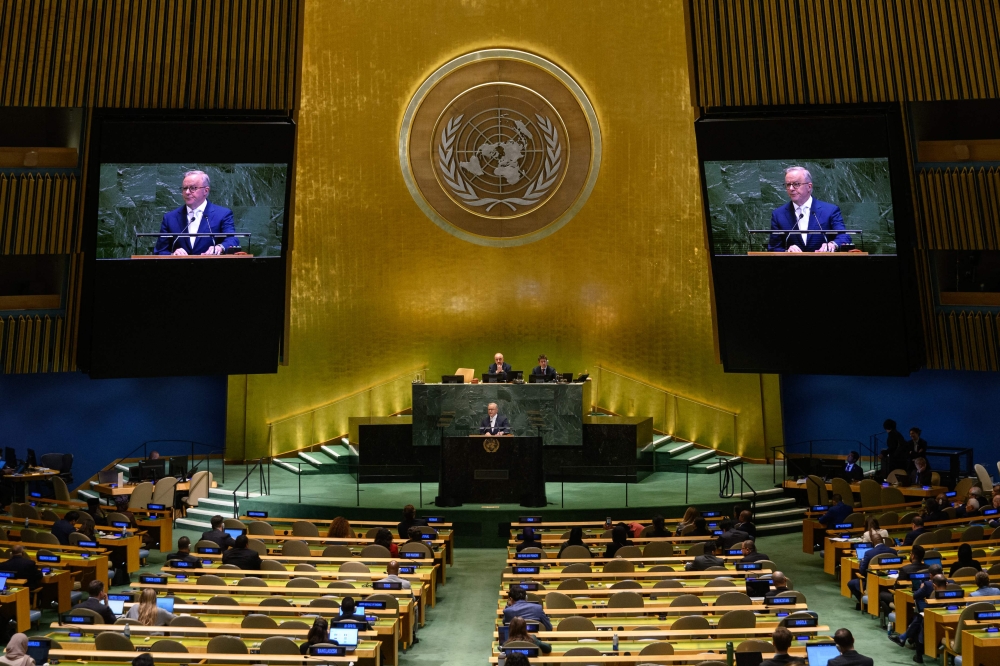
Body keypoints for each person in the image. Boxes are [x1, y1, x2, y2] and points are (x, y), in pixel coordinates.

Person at [766, 166, 850, 253]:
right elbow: (773, 247)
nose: (791, 188)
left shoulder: (830, 210)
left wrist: (833, 244)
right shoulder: (778, 214)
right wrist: (787, 251)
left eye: (796, 184)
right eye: (788, 185)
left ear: (809, 186)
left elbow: (844, 236)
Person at [154, 170, 237, 256]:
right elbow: (160, 251)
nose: (187, 192)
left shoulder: (222, 214)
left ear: (206, 190)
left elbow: (232, 240)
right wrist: (172, 255)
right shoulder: (170, 218)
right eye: (185, 188)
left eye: (193, 188)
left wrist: (220, 247)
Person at [890, 571, 946, 662]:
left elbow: (915, 595)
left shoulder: (927, 585)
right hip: (948, 617)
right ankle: (903, 638)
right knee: (918, 618)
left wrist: (921, 588)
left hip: (933, 618)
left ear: (934, 586)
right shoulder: (952, 585)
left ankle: (918, 654)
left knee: (920, 622)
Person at [847, 533, 896, 609]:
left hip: (871, 582)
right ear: (883, 541)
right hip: (890, 581)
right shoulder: (893, 551)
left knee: (851, 583)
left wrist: (862, 562)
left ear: (872, 542)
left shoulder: (869, 553)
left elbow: (862, 571)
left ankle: (865, 605)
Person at [878, 545, 925, 614]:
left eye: (910, 553)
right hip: (922, 596)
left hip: (905, 597)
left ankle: (894, 614)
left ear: (913, 556)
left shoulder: (905, 569)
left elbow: (896, 587)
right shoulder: (928, 568)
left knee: (881, 594)